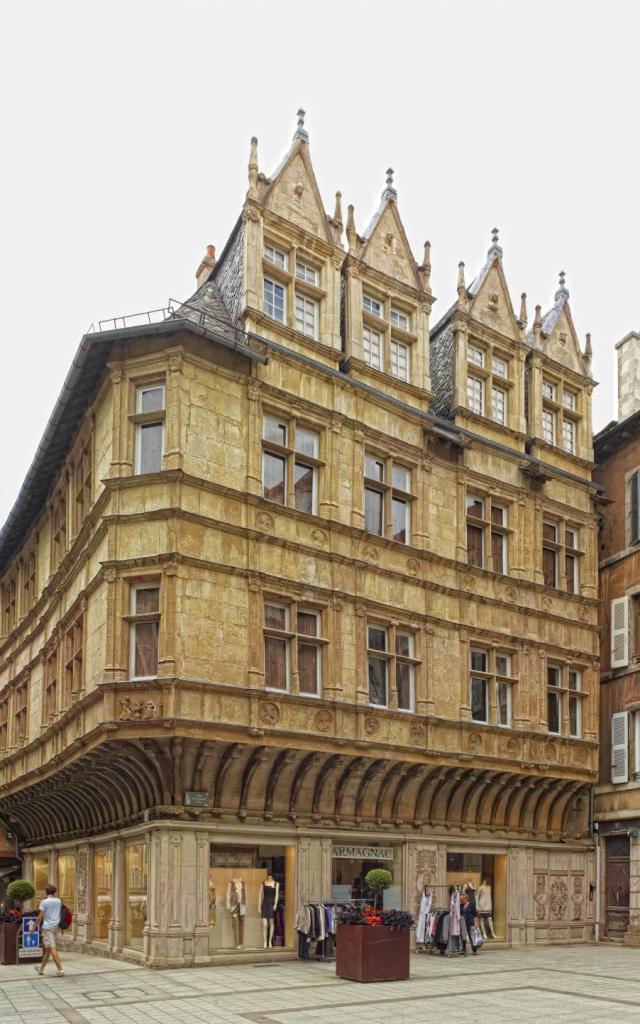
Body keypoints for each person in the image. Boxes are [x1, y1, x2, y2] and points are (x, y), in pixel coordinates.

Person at [34, 883, 64, 976]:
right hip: (56, 927)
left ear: (46, 892)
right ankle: (41, 969)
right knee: (48, 949)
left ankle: (60, 969)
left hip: (47, 928)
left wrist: (34, 927)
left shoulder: (44, 902)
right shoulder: (59, 901)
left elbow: (40, 917)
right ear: (55, 892)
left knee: (52, 948)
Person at [459, 892, 479, 956]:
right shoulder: (460, 906)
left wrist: (476, 923)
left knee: (472, 937)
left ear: (466, 899)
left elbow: (475, 915)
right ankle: (463, 950)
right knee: (463, 937)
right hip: (463, 924)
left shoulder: (471, 905)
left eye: (462, 899)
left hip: (470, 923)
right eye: (460, 900)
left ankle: (474, 950)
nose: (461, 901)